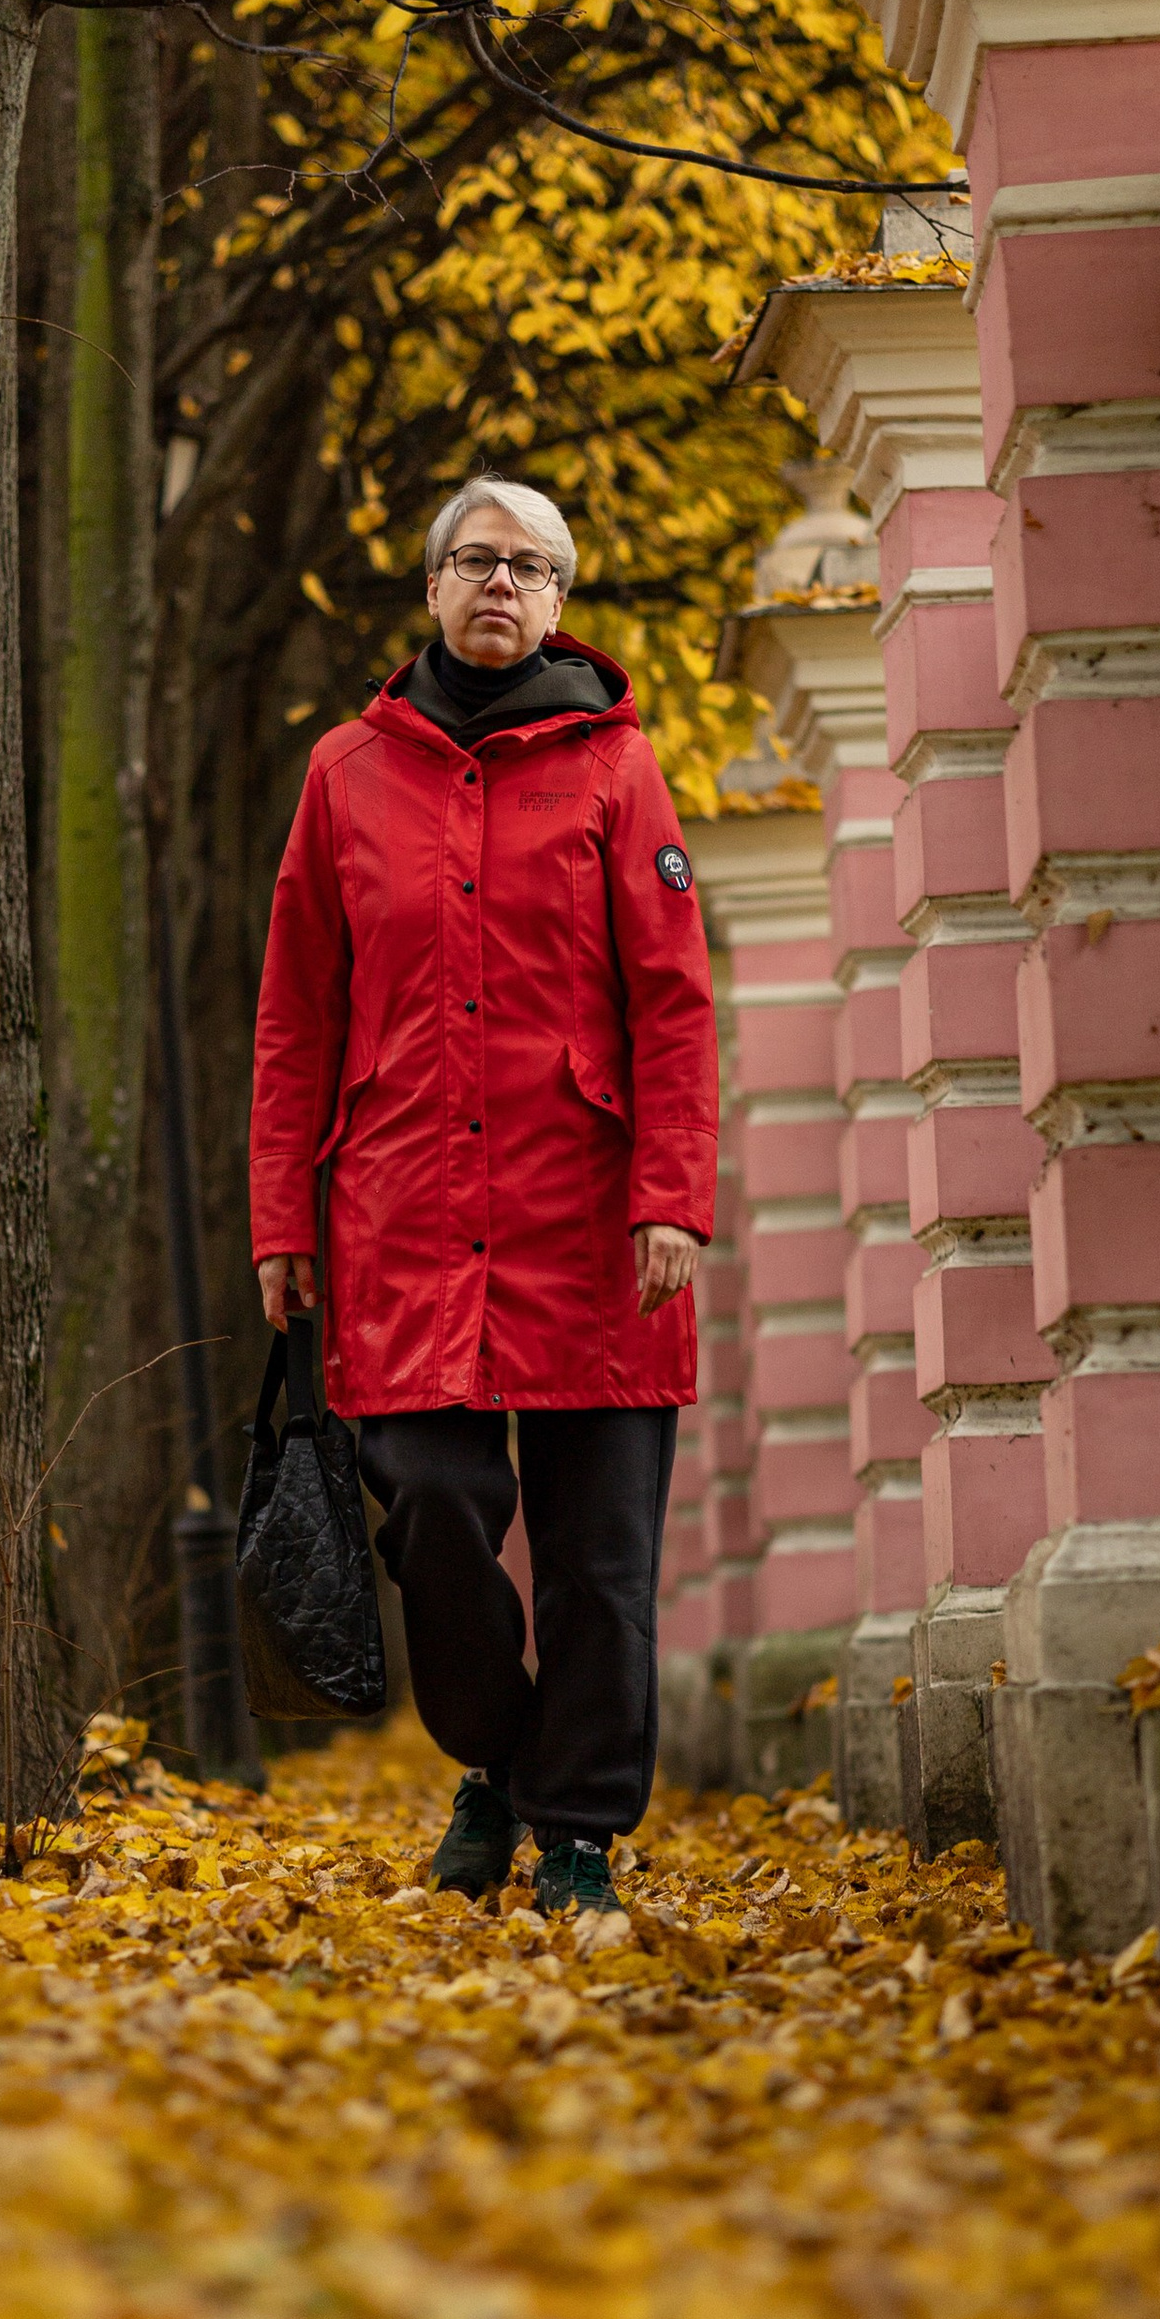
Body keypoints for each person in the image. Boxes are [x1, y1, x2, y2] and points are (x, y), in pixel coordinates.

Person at [249, 476, 718, 1913]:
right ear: (435, 587)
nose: (500, 584)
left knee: (599, 1560)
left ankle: (574, 1832)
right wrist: (282, 1218)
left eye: (530, 567)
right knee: (433, 1515)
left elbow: (675, 1000)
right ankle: (502, 1759)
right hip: (397, 1207)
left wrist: (673, 1198)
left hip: (593, 1220)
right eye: (476, 560)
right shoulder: (344, 773)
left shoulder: (619, 772)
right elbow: (295, 1016)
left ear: (563, 603)